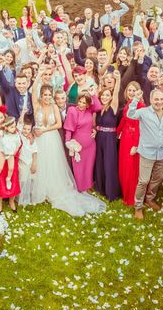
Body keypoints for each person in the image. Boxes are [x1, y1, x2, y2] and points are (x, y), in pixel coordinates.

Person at [30, 72, 106, 217]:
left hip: (51, 138)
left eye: (49, 95)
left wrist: (44, 130)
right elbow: (33, 91)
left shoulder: (54, 107)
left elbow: (59, 124)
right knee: (41, 164)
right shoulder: (36, 105)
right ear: (41, 95)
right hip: (39, 140)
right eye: (44, 95)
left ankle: (54, 189)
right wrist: (38, 75)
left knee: (53, 164)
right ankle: (42, 190)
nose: (47, 97)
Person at [127, 89, 163, 220]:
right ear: (151, 100)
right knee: (143, 181)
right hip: (147, 152)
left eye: (161, 99)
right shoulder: (143, 112)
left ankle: (150, 199)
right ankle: (138, 206)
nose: (159, 102)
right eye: (156, 99)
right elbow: (130, 114)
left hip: (162, 154)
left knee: (157, 179)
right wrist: (135, 100)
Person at [64, 93, 101, 192]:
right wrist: (68, 142)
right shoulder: (72, 111)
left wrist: (93, 95)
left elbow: (98, 107)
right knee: (78, 168)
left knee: (88, 167)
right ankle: (79, 187)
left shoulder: (89, 110)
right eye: (80, 101)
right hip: (78, 146)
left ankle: (88, 186)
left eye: (84, 103)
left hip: (91, 146)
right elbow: (68, 129)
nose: (81, 104)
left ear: (88, 104)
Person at [94, 71, 122, 200]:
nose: (105, 97)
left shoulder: (113, 106)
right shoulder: (98, 109)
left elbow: (116, 92)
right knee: (99, 163)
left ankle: (111, 191)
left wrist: (118, 79)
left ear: (111, 97)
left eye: (107, 95)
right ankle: (100, 188)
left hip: (110, 139)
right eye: (103, 95)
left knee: (109, 163)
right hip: (99, 137)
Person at [117, 81, 144, 206]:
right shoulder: (128, 103)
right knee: (124, 165)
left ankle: (131, 196)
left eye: (134, 90)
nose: (132, 93)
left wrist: (136, 144)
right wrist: (116, 132)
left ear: (139, 92)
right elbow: (124, 120)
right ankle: (124, 192)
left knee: (131, 167)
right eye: (129, 90)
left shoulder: (141, 105)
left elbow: (140, 126)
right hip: (125, 138)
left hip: (133, 139)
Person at [0, 117, 21, 191]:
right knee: (0, 168)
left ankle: (8, 179)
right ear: (6, 128)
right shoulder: (3, 133)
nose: (14, 128)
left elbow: (18, 144)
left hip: (10, 154)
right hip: (2, 153)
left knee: (11, 168)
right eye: (12, 127)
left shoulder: (16, 135)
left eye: (14, 126)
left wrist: (14, 152)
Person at [17, 117, 38, 206]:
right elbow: (19, 124)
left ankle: (30, 196)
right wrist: (22, 114)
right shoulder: (19, 136)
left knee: (31, 179)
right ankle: (20, 198)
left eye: (28, 129)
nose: (26, 131)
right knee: (22, 179)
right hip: (22, 161)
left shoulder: (32, 139)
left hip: (30, 162)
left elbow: (35, 151)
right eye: (24, 128)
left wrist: (34, 163)